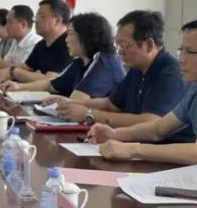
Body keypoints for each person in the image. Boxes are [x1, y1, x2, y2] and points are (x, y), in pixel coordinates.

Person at [86, 17, 197, 165]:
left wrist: (133, 149)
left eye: (189, 52)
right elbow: (159, 129)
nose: (181, 59)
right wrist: (115, 134)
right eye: (181, 51)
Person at [54, 10, 186, 126]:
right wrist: (70, 103)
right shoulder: (137, 68)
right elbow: (110, 104)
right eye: (117, 45)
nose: (120, 52)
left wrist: (89, 114)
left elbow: (151, 121)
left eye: (124, 45)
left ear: (149, 45)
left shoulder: (171, 72)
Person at [4, 13, 125, 100]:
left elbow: (77, 100)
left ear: (87, 37)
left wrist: (60, 101)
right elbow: (51, 85)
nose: (66, 39)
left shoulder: (103, 61)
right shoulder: (81, 61)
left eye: (70, 34)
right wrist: (18, 87)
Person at [0, 0, 71, 85]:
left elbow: (50, 80)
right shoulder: (41, 44)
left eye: (40, 17)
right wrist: (7, 72)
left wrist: (13, 72)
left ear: (57, 20)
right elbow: (26, 68)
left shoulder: (68, 44)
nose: (35, 21)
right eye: (36, 17)